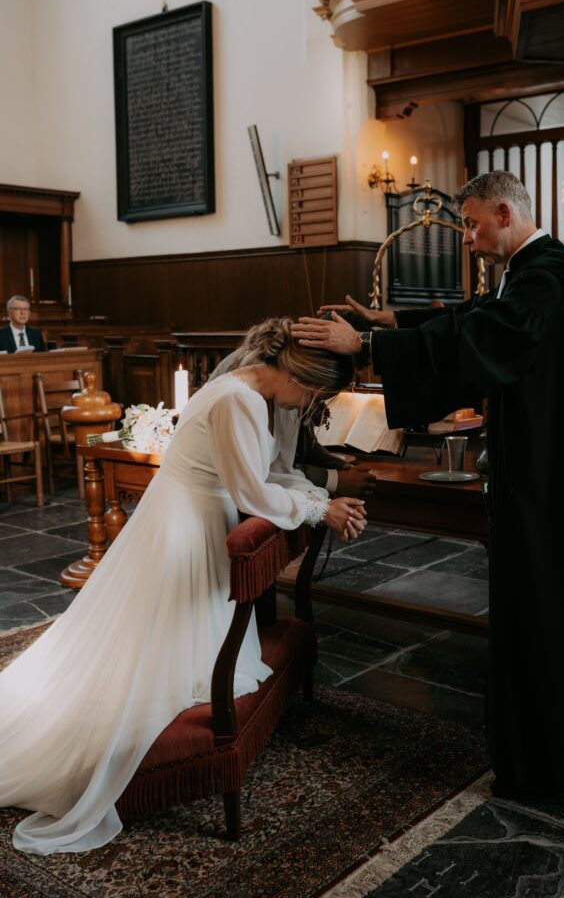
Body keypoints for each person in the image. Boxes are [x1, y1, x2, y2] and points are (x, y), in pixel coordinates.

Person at [291, 170, 564, 798]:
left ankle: (545, 766)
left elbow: (480, 336)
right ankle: (549, 747)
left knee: (539, 608)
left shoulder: (543, 275)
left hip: (543, 481)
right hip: (546, 467)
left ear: (503, 212)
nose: (467, 237)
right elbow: (475, 315)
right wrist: (385, 319)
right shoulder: (537, 269)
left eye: (471, 223)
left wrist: (367, 346)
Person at [0, 317, 367, 855]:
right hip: (182, 522)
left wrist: (327, 499)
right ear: (298, 373)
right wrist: (321, 508)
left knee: (174, 644)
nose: (306, 406)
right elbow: (252, 491)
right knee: (148, 651)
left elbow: (278, 474)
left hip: (204, 515)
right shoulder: (236, 398)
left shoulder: (268, 398)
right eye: (312, 394)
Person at [211, 325, 377, 500]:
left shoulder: (288, 389)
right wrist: (333, 482)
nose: (312, 406)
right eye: (316, 397)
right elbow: (259, 475)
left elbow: (299, 449)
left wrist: (343, 468)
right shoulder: (246, 391)